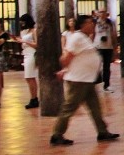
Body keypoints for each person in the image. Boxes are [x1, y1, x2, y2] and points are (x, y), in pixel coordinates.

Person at [50, 14, 119, 146]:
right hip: (78, 80)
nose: (92, 24)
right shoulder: (77, 37)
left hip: (87, 79)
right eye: (89, 23)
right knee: (69, 107)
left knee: (95, 107)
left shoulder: (84, 37)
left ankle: (102, 131)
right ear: (82, 25)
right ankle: (57, 134)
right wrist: (64, 69)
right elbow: (66, 57)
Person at [15, 14, 39, 109]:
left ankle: (34, 98)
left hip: (32, 53)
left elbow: (37, 44)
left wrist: (24, 42)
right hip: (26, 53)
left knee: (30, 76)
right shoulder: (24, 32)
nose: (22, 24)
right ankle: (33, 97)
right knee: (28, 78)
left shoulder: (34, 31)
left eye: (23, 22)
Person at [93, 8, 117, 92]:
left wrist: (115, 47)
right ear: (98, 13)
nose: (102, 13)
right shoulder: (95, 22)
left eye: (104, 12)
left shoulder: (110, 23)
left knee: (107, 66)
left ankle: (106, 84)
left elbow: (113, 34)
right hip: (98, 46)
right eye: (100, 12)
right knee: (97, 65)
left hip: (108, 47)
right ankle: (95, 81)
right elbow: (92, 34)